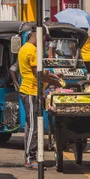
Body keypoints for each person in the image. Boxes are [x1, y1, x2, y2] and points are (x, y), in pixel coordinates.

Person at [18, 28, 61, 170]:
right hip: (31, 91)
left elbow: (40, 71)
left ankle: (30, 157)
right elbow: (39, 74)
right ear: (38, 35)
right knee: (33, 127)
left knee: (32, 126)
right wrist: (55, 82)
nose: (45, 42)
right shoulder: (32, 50)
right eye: (45, 39)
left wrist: (53, 76)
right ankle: (31, 158)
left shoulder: (26, 48)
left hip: (32, 91)